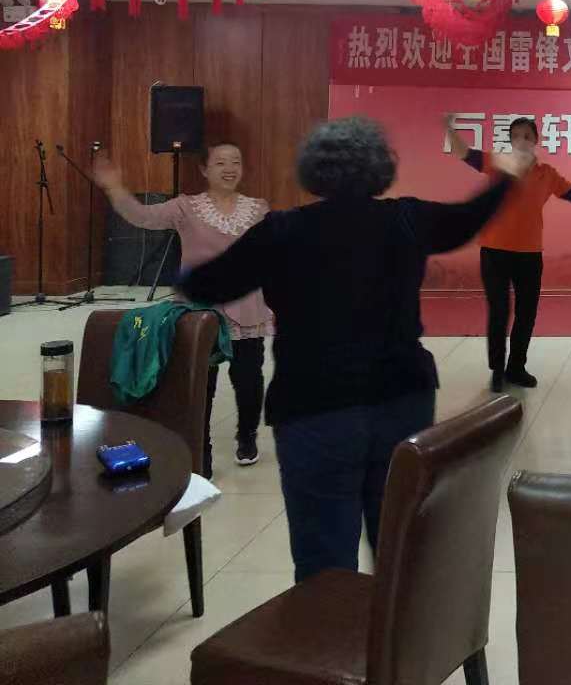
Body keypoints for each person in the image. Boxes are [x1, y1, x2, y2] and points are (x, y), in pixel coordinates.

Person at [177, 116, 520, 582]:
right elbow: (467, 220)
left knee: (324, 563)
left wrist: (188, 265)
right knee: (400, 550)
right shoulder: (406, 219)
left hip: (313, 407)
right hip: (401, 400)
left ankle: (330, 626)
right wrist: (507, 177)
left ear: (313, 169)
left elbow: (206, 284)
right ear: (379, 167)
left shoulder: (282, 230)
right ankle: (397, 629)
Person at [95, 143, 270, 476]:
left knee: (248, 380)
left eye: (235, 162)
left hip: (247, 307)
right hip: (200, 311)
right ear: (204, 169)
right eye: (220, 162)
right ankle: (200, 452)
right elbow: (142, 216)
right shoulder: (186, 207)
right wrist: (114, 187)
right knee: (200, 384)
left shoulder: (258, 209)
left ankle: (247, 437)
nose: (229, 168)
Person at [444, 113, 571, 394]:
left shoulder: (546, 174)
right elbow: (463, 153)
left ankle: (516, 367)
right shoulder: (498, 163)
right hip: (494, 251)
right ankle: (498, 370)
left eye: (527, 136)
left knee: (526, 313)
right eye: (516, 136)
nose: (522, 141)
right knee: (499, 312)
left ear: (536, 140)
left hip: (529, 254)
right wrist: (449, 128)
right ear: (510, 141)